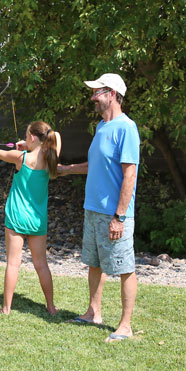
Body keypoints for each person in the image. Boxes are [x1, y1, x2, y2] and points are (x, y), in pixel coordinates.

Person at [58, 74, 140, 342]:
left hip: (113, 214)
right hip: (92, 209)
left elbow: (130, 175)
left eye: (97, 92)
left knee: (124, 267)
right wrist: (66, 170)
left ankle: (125, 325)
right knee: (94, 263)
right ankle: (93, 312)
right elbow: (96, 165)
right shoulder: (101, 128)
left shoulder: (127, 128)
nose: (92, 97)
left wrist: (119, 216)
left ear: (113, 94)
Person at [0, 121, 61, 315]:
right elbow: (56, 136)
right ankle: (51, 307)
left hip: (16, 217)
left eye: (27, 134)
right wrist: (31, 144)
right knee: (41, 264)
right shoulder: (50, 158)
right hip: (38, 220)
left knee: (13, 263)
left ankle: (6, 308)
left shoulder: (21, 157)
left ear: (33, 137)